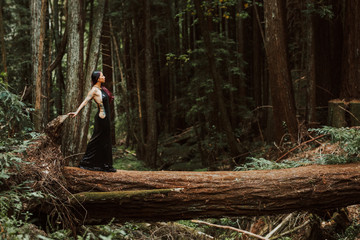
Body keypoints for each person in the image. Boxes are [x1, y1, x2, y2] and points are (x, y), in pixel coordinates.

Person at [68, 71, 116, 172]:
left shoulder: (102, 89)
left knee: (106, 140)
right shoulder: (94, 90)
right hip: (101, 118)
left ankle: (105, 165)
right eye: (102, 75)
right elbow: (85, 101)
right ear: (98, 78)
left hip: (106, 118)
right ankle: (86, 162)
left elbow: (106, 99)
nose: (104, 76)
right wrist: (76, 112)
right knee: (96, 140)